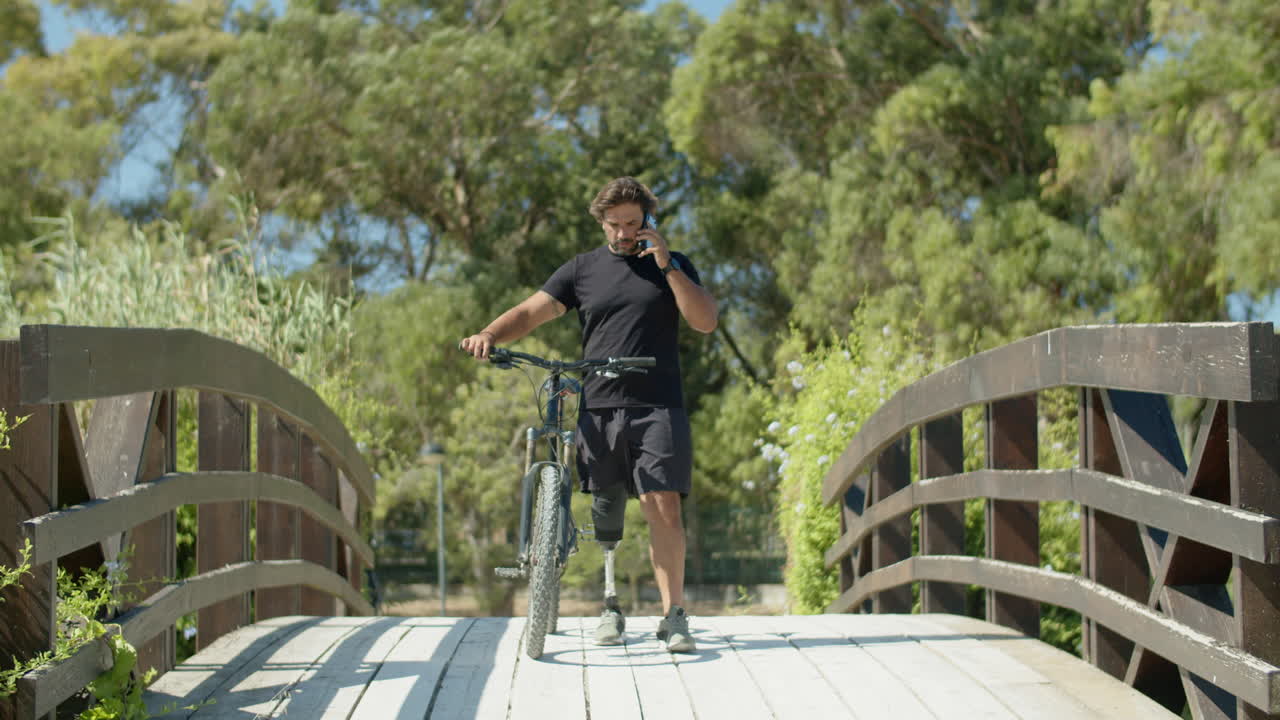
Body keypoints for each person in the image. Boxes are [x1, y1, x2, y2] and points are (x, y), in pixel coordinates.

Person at [460, 176, 717, 653]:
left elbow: (704, 321)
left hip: (658, 405)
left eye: (633, 223)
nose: (624, 233)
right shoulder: (582, 270)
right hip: (598, 408)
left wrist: (667, 265)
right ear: (601, 222)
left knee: (664, 506)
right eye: (615, 224)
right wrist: (489, 333)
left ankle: (674, 616)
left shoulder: (672, 265)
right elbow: (531, 312)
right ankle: (610, 604)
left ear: (648, 221)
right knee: (605, 509)